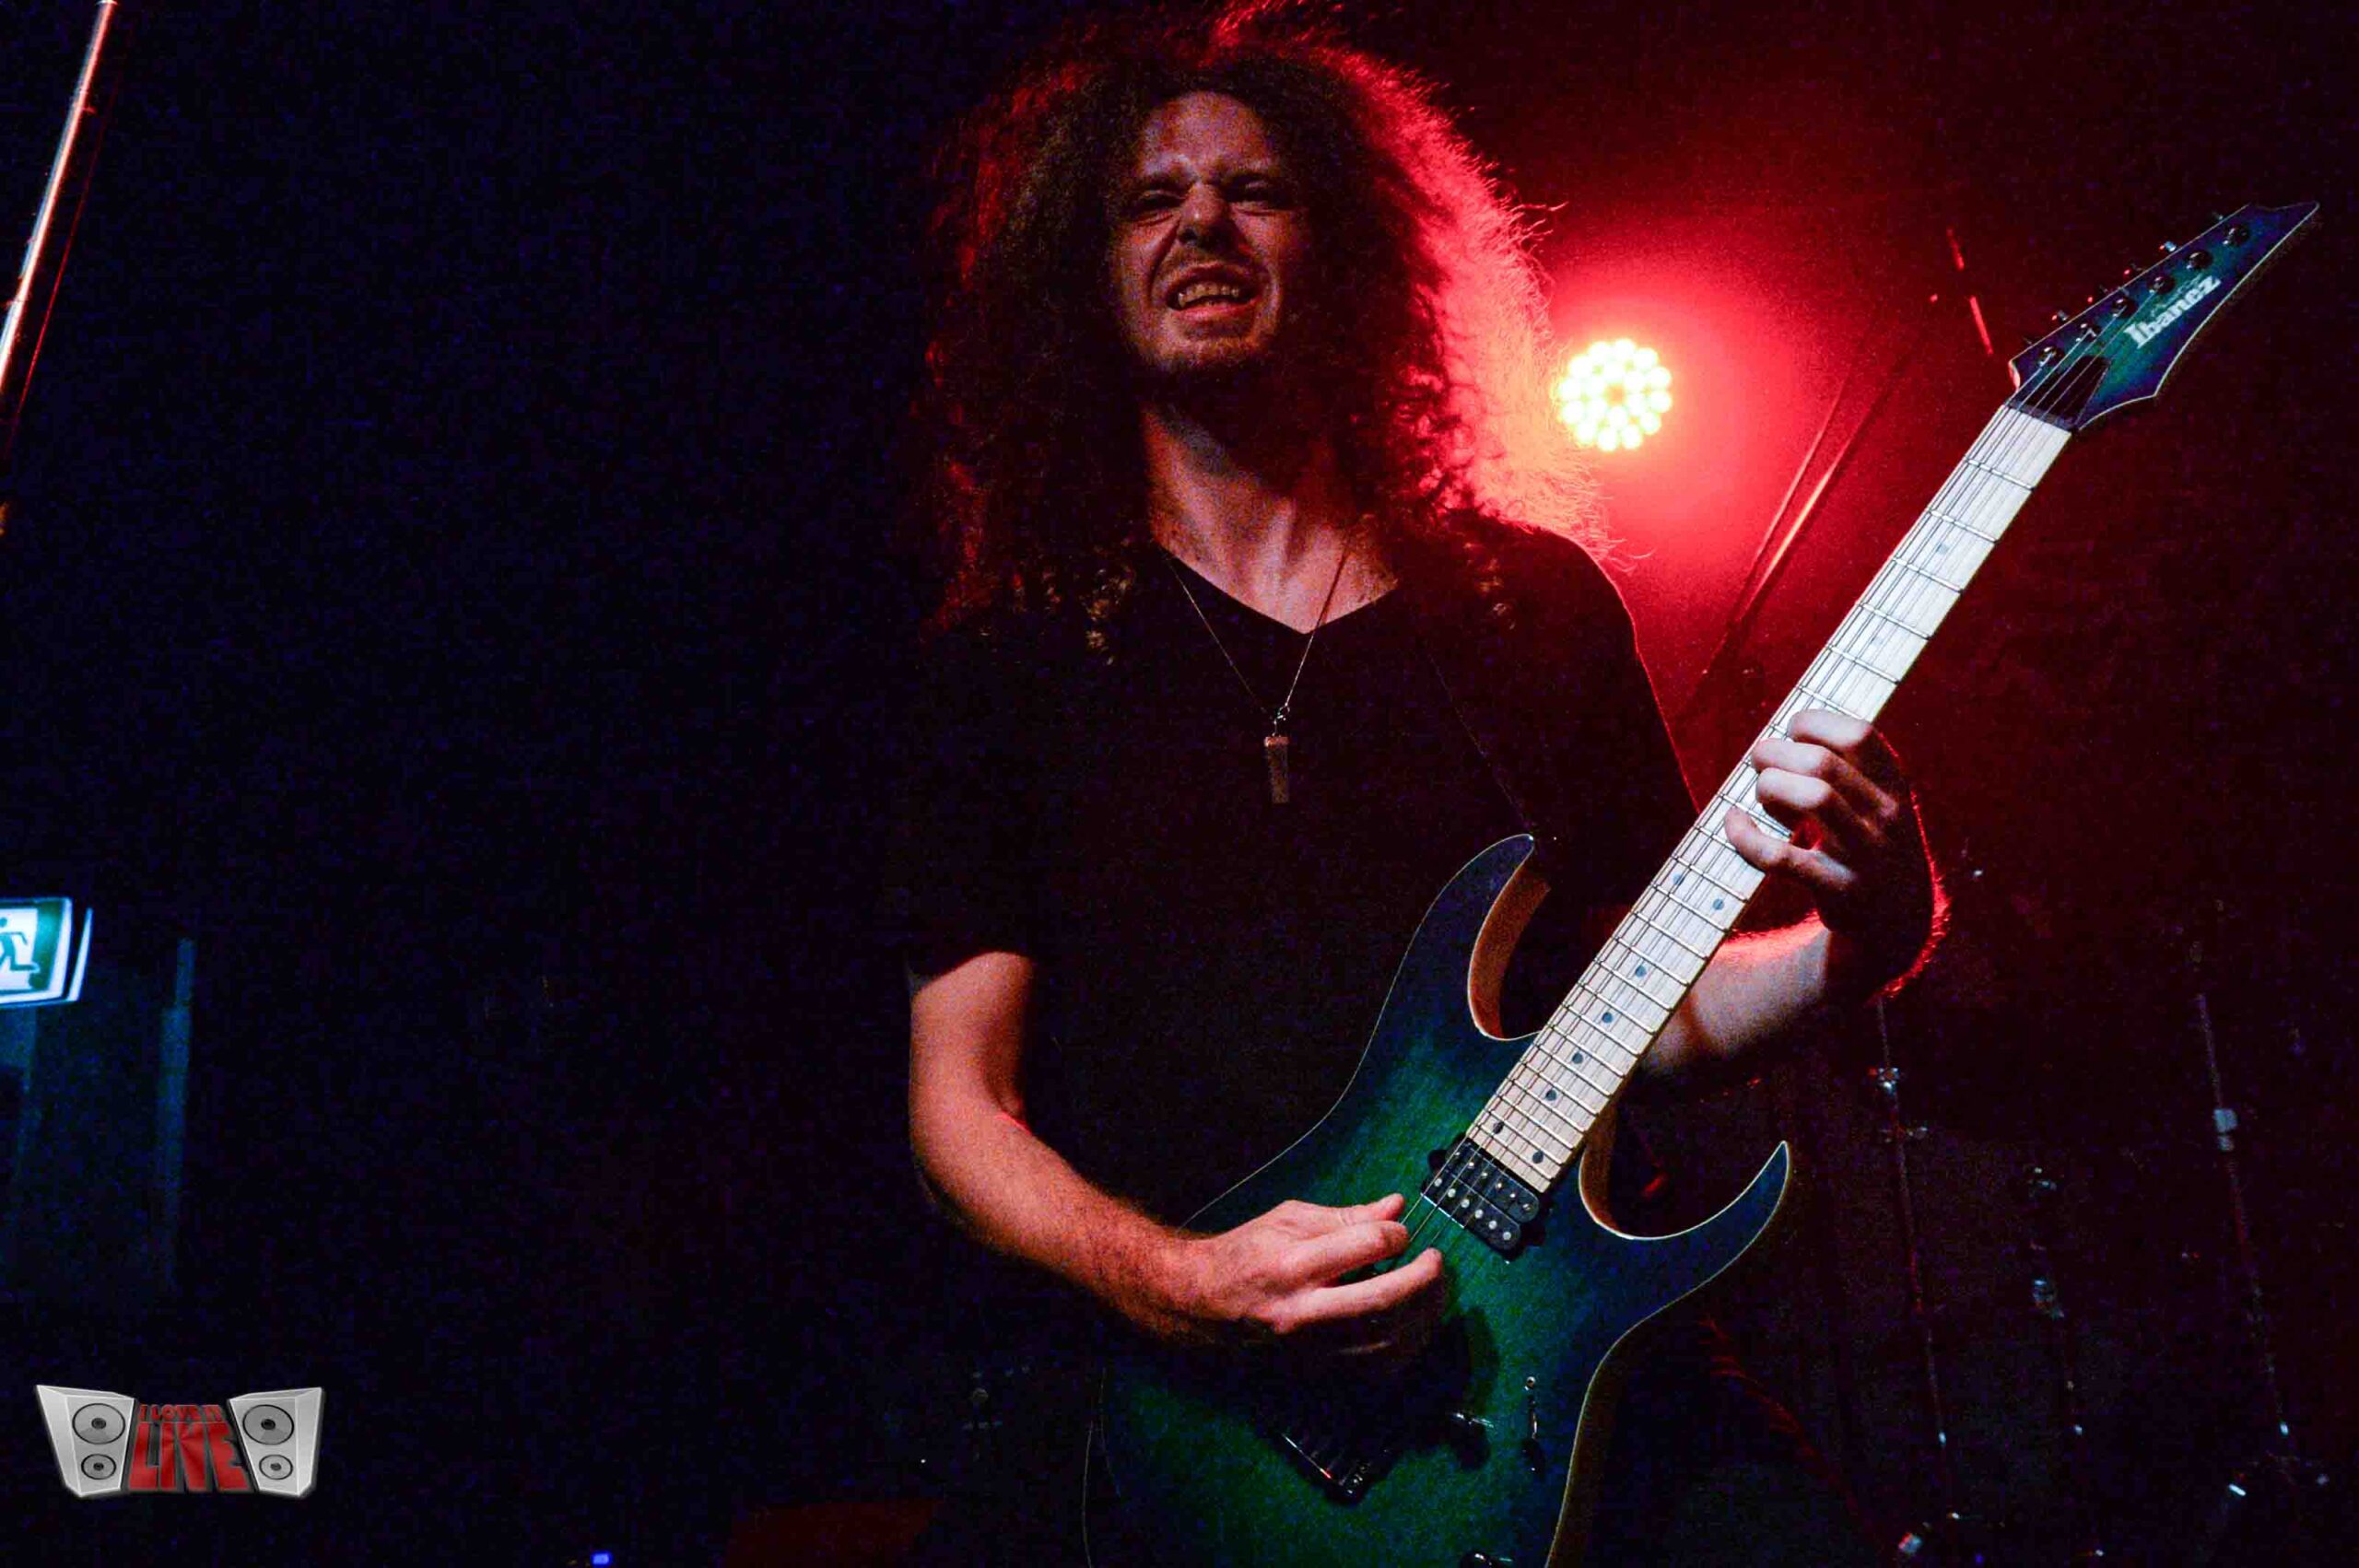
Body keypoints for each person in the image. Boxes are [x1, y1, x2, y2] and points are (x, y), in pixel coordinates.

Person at [889, 8, 1937, 1562]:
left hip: (1534, 1360)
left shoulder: (1528, 609)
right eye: (1147, 198)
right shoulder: (1009, 665)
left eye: (1256, 190)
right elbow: (958, 1107)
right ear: (1082, 277)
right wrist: (1184, 1284)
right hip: (1183, 1416)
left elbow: (1642, 1015)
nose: (1201, 222)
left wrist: (1871, 932)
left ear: (1348, 248)